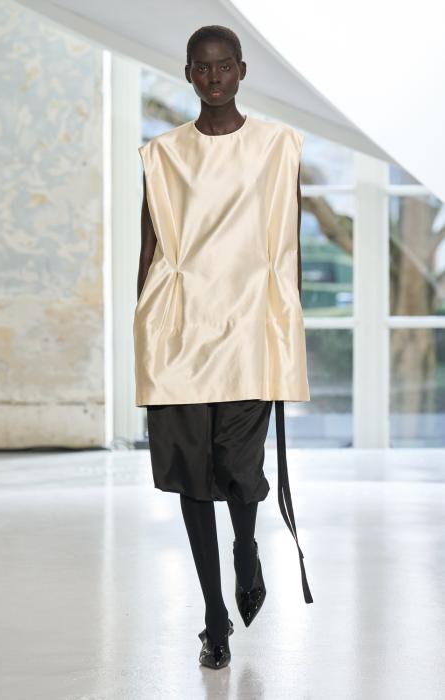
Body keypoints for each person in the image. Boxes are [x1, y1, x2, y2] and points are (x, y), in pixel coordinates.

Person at [134, 25, 313, 670]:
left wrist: (286, 331)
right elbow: (151, 246)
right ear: (188, 74)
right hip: (179, 333)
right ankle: (214, 615)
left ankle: (246, 548)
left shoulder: (277, 147)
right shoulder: (162, 154)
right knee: (192, 477)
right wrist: (145, 332)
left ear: (241, 70)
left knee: (239, 470)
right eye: (202, 68)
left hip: (247, 333)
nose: (213, 78)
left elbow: (285, 249)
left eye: (224, 67)